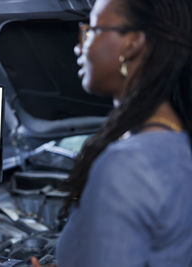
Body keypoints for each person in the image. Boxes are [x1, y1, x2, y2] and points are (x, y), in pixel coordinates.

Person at [32, 0, 192, 266]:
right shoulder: (176, 144)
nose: (78, 45)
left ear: (132, 43)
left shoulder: (127, 166)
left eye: (92, 30)